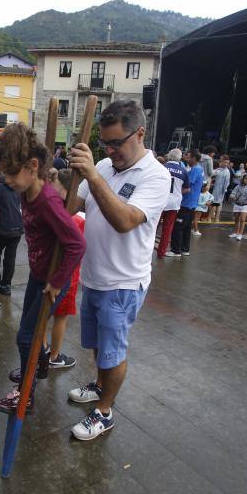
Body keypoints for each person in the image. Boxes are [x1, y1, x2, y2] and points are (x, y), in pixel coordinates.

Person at [66, 100, 170, 440]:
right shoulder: (105, 166)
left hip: (123, 283)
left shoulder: (156, 175)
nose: (110, 151)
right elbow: (73, 205)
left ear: (139, 133)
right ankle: (100, 385)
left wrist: (94, 176)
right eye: (105, 144)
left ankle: (105, 411)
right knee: (98, 344)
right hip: (94, 276)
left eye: (116, 143)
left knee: (113, 351)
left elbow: (125, 220)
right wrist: (57, 182)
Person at [0, 123, 85, 414]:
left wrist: (57, 282)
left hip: (51, 280)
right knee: (26, 332)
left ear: (32, 166)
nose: (7, 180)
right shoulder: (26, 188)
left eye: (11, 173)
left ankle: (25, 394)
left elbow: (77, 244)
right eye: (4, 174)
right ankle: (37, 365)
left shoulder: (47, 202)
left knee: (26, 337)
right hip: (38, 273)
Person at [46, 168, 85, 369]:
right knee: (59, 317)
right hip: (66, 275)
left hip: (52, 272)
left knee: (45, 315)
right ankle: (53, 356)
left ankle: (44, 351)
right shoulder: (76, 219)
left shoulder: (52, 211)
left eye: (55, 185)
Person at [168, 149, 203, 257]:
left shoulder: (195, 170)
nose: (185, 157)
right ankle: (184, 249)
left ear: (194, 158)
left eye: (188, 156)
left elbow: (186, 185)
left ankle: (175, 250)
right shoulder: (199, 169)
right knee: (186, 228)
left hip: (186, 203)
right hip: (191, 203)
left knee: (177, 227)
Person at [157, 148, 188, 259]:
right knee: (167, 229)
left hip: (160, 201)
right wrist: (177, 191)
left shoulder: (162, 167)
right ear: (179, 158)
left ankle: (145, 251)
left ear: (169, 156)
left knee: (153, 227)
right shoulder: (183, 171)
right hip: (174, 203)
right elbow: (187, 189)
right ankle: (161, 252)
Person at [228, 173, 247, 241]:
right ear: (243, 179)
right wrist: (232, 196)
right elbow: (233, 193)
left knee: (242, 219)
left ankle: (240, 234)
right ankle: (236, 233)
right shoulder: (238, 187)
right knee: (236, 219)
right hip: (237, 204)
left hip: (245, 205)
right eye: (246, 178)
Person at [210, 155, 230, 223]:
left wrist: (224, 190)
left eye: (227, 163)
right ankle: (212, 217)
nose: (226, 164)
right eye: (225, 162)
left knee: (217, 203)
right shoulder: (219, 169)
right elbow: (212, 173)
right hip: (215, 189)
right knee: (214, 203)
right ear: (222, 162)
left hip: (221, 190)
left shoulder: (227, 171)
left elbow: (227, 182)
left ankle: (216, 218)